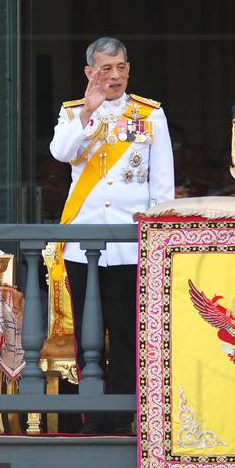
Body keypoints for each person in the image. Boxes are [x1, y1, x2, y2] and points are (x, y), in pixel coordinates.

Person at [49, 37, 174, 434]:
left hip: (129, 246)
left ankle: (121, 419)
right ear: (90, 73)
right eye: (106, 69)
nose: (115, 75)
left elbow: (162, 187)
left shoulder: (150, 114)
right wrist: (89, 110)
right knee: (88, 338)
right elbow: (60, 152)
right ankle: (93, 418)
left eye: (121, 67)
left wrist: (157, 239)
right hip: (83, 245)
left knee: (125, 334)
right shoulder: (73, 114)